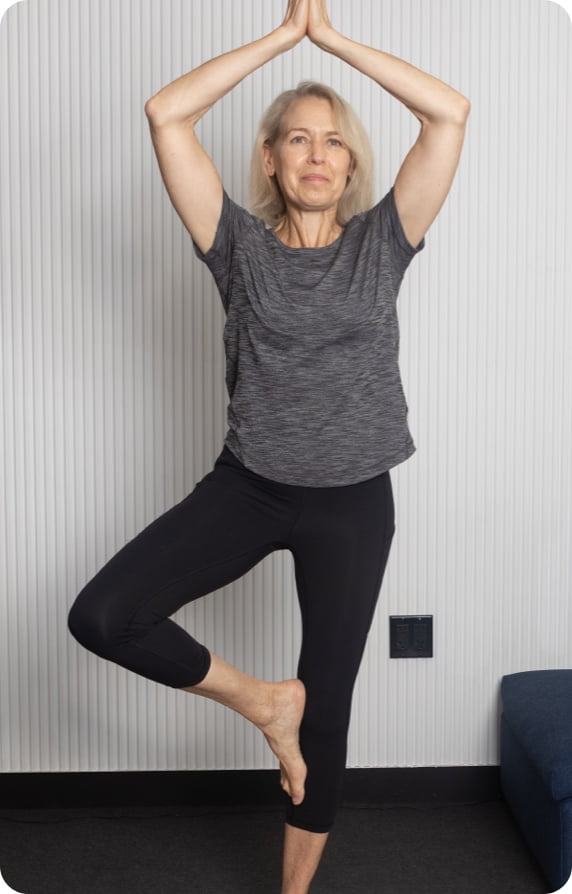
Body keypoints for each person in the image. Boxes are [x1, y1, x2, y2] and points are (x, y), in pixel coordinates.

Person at [67, 1, 470, 891]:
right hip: (249, 487)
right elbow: (167, 113)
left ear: (352, 162)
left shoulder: (383, 243)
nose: (316, 154)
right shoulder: (235, 246)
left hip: (355, 500)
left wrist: (333, 40)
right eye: (295, 138)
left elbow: (448, 113)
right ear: (269, 158)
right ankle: (262, 703)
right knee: (103, 616)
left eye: (332, 140)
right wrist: (285, 38)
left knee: (328, 710)